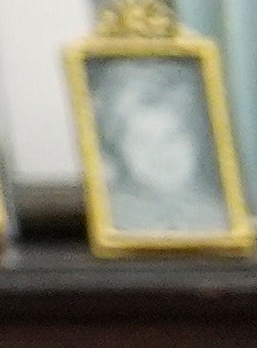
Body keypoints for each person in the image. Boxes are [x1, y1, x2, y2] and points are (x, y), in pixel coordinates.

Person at [79, 55, 234, 241]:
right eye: (141, 140)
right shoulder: (108, 214)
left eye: (172, 136)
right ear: (119, 149)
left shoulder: (225, 213)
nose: (159, 152)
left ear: (199, 138)